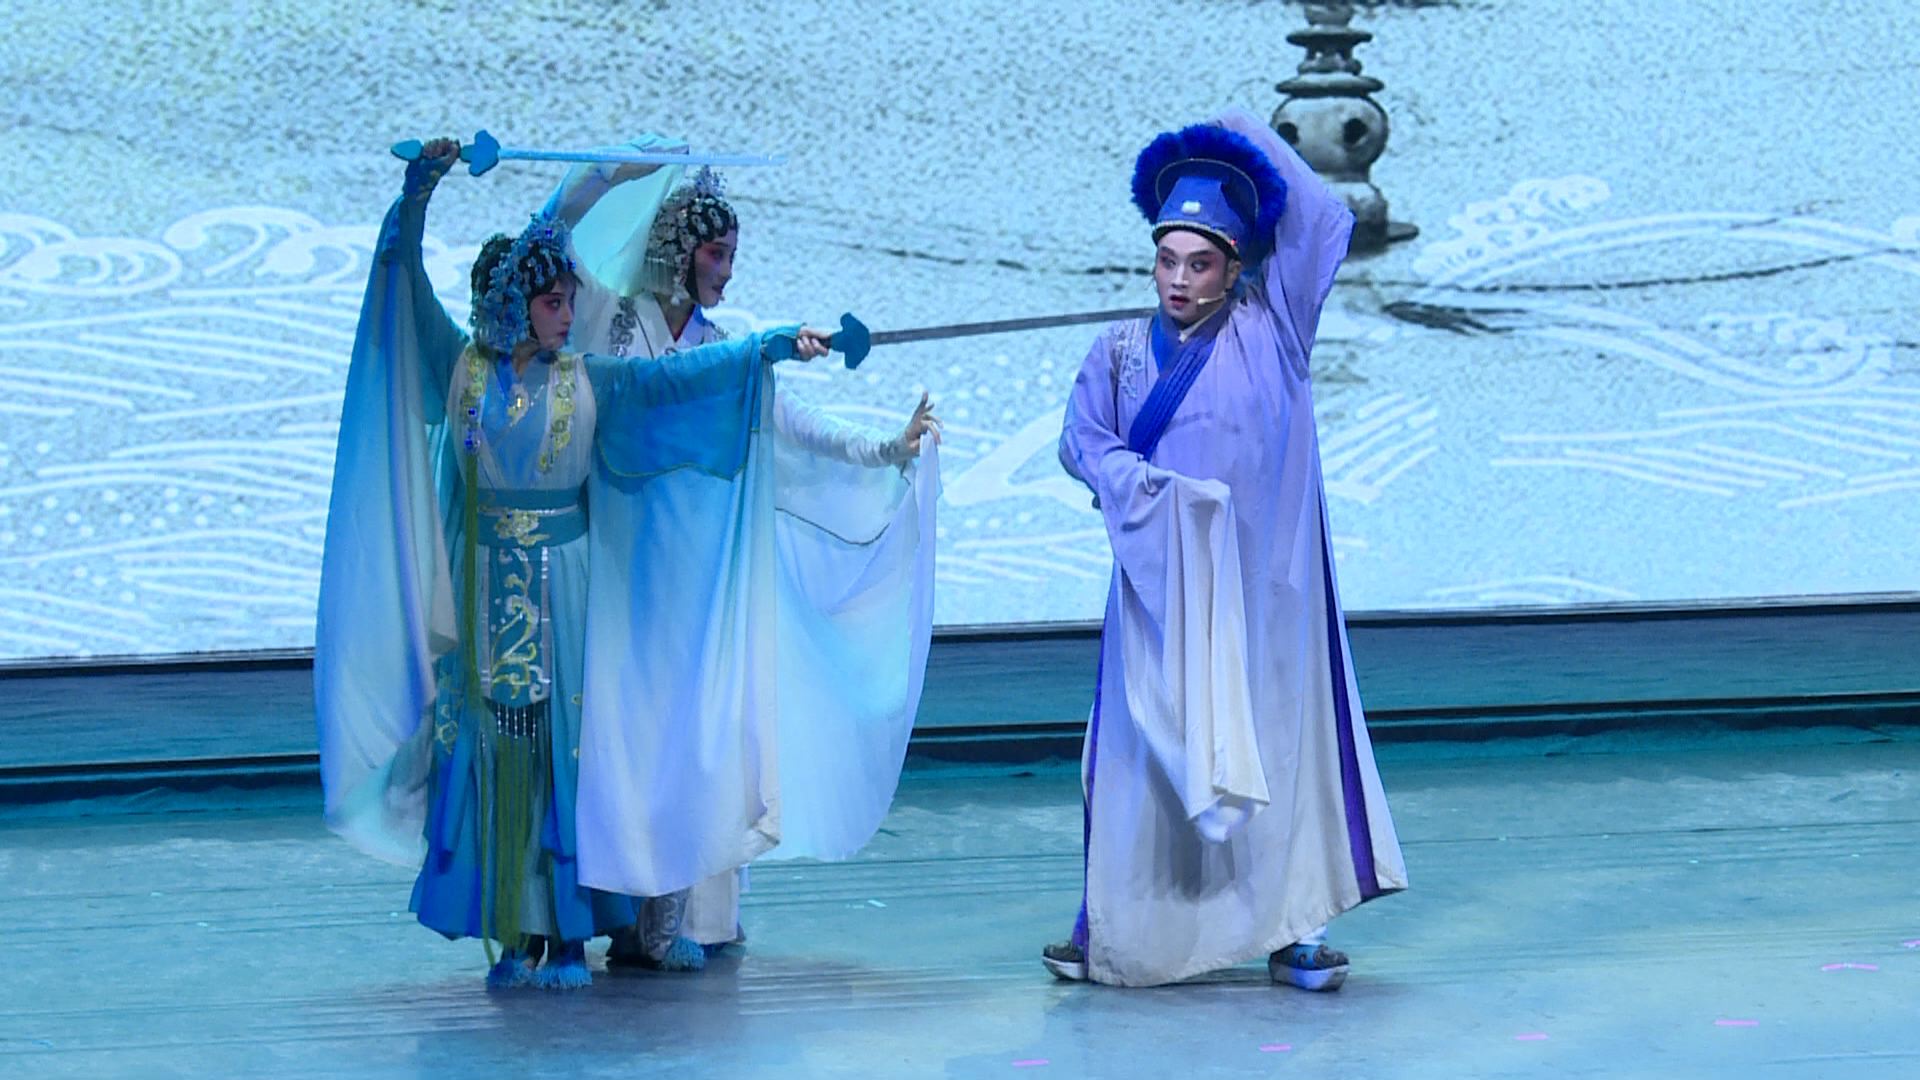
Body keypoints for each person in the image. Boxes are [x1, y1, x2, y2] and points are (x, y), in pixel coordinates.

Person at [313, 139, 831, 988]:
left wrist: (766, 348)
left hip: (571, 591)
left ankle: (568, 935)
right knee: (498, 753)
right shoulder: (463, 370)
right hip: (485, 591)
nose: (568, 312)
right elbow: (403, 293)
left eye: (568, 299)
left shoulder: (588, 379)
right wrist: (418, 193)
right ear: (517, 305)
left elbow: (681, 381)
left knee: (567, 756)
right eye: (554, 300)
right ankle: (516, 927)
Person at [538, 144, 942, 970]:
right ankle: (613, 906)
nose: (726, 270)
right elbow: (549, 242)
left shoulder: (726, 346)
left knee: (698, 730)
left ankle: (683, 913)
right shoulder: (614, 317)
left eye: (731, 255)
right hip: (620, 561)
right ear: (679, 252)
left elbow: (795, 428)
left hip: (697, 570)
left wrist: (885, 448)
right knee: (622, 732)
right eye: (717, 253)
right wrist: (607, 175)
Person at [1047, 110, 1408, 988]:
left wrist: (1239, 133)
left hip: (1264, 593)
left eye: (1199, 263)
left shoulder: (1275, 329)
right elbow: (1081, 440)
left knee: (1276, 742)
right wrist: (1150, 488)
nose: (1179, 278)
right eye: (1166, 260)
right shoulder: (1119, 351)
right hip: (1162, 592)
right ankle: (1120, 929)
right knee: (1140, 752)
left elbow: (1322, 218)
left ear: (1235, 265)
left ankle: (1296, 930)